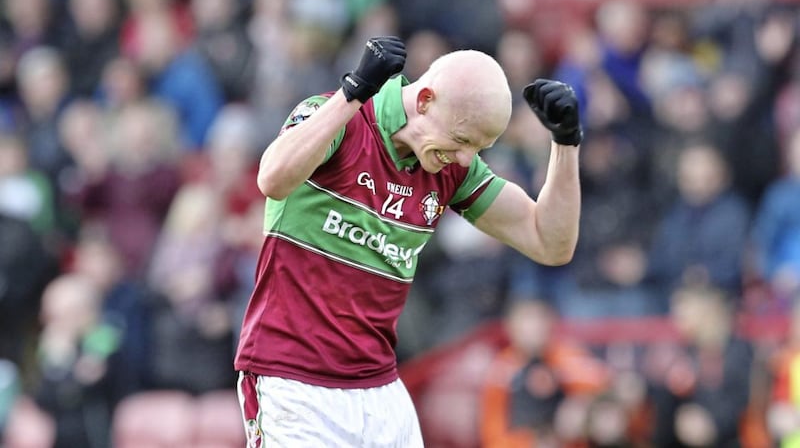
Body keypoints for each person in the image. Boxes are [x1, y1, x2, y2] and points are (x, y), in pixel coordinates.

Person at [234, 36, 582, 447]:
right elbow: (272, 179)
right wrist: (352, 93)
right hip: (293, 382)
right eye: (464, 140)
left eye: (480, 148)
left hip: (380, 390)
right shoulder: (338, 117)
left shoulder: (449, 166)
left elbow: (550, 242)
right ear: (425, 101)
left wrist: (566, 143)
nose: (468, 159)